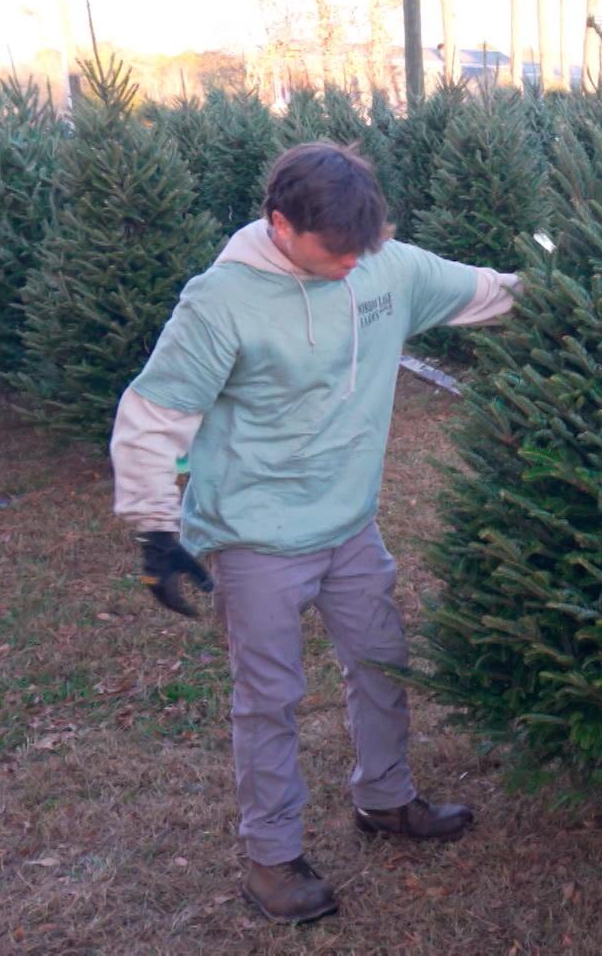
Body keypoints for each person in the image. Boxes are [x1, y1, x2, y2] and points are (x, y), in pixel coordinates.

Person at [108, 142, 523, 924]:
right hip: (255, 536)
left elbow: (493, 292)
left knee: (383, 660)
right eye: (334, 250)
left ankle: (385, 798)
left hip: (350, 525)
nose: (349, 264)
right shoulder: (221, 302)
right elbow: (153, 415)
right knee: (270, 699)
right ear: (280, 225)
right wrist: (154, 529)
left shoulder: (383, 267)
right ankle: (271, 860)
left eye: (360, 247)